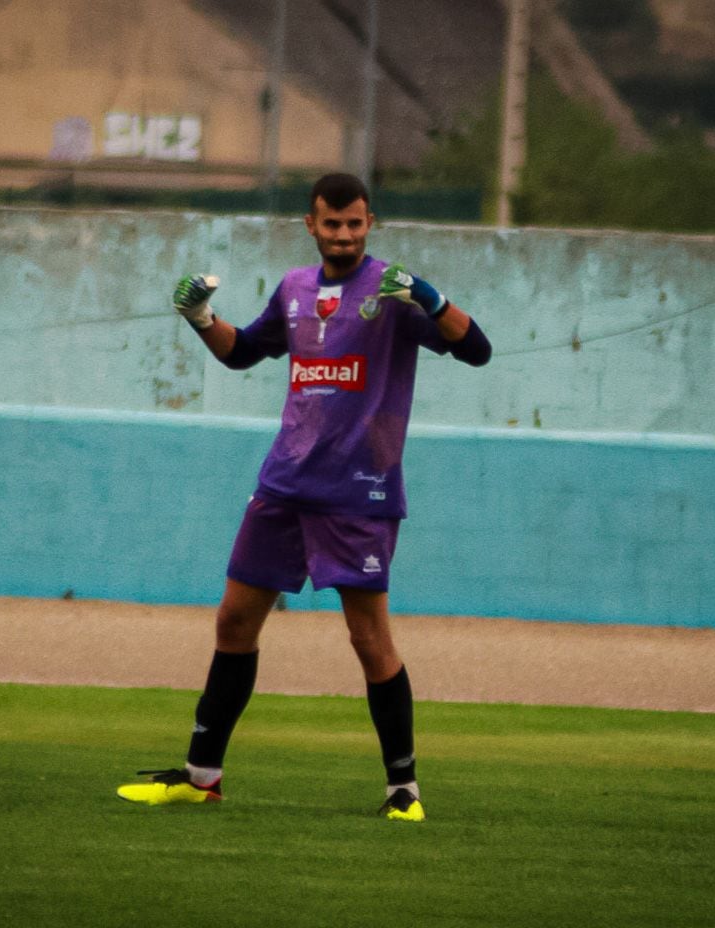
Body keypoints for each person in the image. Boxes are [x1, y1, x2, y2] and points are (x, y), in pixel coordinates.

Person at [116, 173, 492, 822]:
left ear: (370, 224)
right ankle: (201, 776)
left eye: (354, 223)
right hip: (284, 485)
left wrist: (432, 301)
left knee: (368, 640)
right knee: (234, 621)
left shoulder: (394, 294)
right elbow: (244, 354)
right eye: (331, 223)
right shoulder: (292, 289)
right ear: (309, 225)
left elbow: (477, 350)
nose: (342, 234)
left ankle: (402, 791)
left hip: (359, 494)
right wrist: (201, 319)